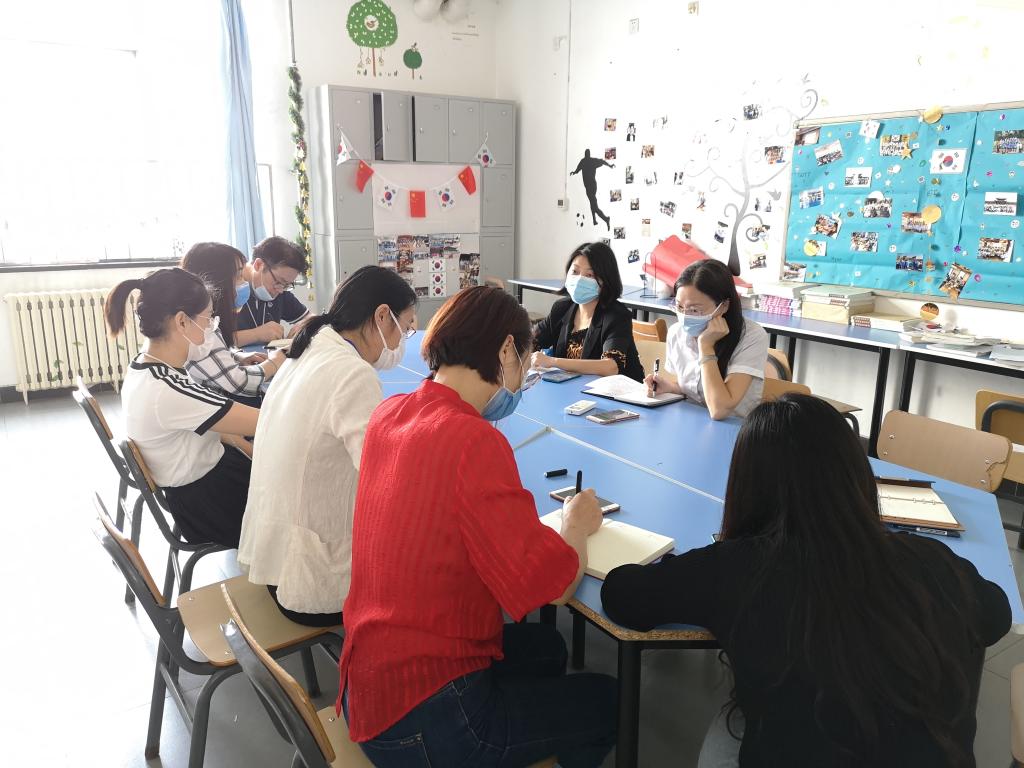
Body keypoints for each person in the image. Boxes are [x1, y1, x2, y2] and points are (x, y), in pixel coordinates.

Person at [601, 394, 1010, 768]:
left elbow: (622, 595)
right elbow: (995, 617)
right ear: (856, 475)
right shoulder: (929, 557)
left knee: (725, 740)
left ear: (748, 485)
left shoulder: (734, 567)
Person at [338, 286, 617, 768]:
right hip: (425, 719)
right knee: (608, 702)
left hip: (368, 686)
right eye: (525, 360)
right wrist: (575, 524)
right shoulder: (473, 440)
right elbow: (553, 589)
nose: (523, 376)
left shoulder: (390, 412)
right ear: (506, 350)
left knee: (547, 647)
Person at [238, 266, 417, 627]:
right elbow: (385, 482)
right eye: (406, 327)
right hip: (308, 580)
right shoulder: (352, 373)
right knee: (427, 564)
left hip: (272, 560)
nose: (404, 341)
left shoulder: (308, 348)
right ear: (382, 316)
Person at [105, 269, 260, 548]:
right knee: (294, 508)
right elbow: (265, 421)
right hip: (207, 501)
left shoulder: (147, 366)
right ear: (182, 321)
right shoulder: (166, 389)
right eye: (208, 318)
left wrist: (249, 450)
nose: (212, 327)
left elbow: (216, 424)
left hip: (206, 477)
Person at [645, 258, 768, 419]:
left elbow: (719, 409)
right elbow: (697, 393)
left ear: (723, 306)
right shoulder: (677, 332)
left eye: (695, 310)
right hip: (691, 421)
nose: (685, 316)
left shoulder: (752, 336)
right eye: (680, 307)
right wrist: (672, 388)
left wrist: (706, 346)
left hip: (735, 428)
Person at [180, 242, 286, 406]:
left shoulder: (207, 321)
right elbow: (240, 383)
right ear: (217, 280)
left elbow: (212, 354)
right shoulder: (200, 329)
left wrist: (236, 357)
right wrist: (276, 361)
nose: (244, 283)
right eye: (238, 276)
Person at [531, 242, 645, 381]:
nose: (580, 279)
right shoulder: (562, 308)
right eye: (575, 271)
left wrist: (553, 362)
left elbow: (610, 366)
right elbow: (531, 340)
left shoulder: (617, 315)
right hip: (573, 388)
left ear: (605, 280)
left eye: (589, 275)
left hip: (618, 391)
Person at [234, 236, 311, 346]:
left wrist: (302, 327)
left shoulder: (280, 291)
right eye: (279, 282)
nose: (280, 290)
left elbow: (310, 318)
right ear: (259, 265)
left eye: (287, 285)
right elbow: (212, 340)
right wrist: (255, 334)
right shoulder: (228, 288)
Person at [570, 149, 614, 230]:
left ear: (586, 154)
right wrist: (609, 165)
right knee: (592, 203)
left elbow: (577, 169)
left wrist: (610, 165)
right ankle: (594, 220)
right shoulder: (591, 161)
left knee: (594, 206)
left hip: (590, 186)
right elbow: (602, 161)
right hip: (591, 186)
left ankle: (606, 219)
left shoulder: (584, 161)